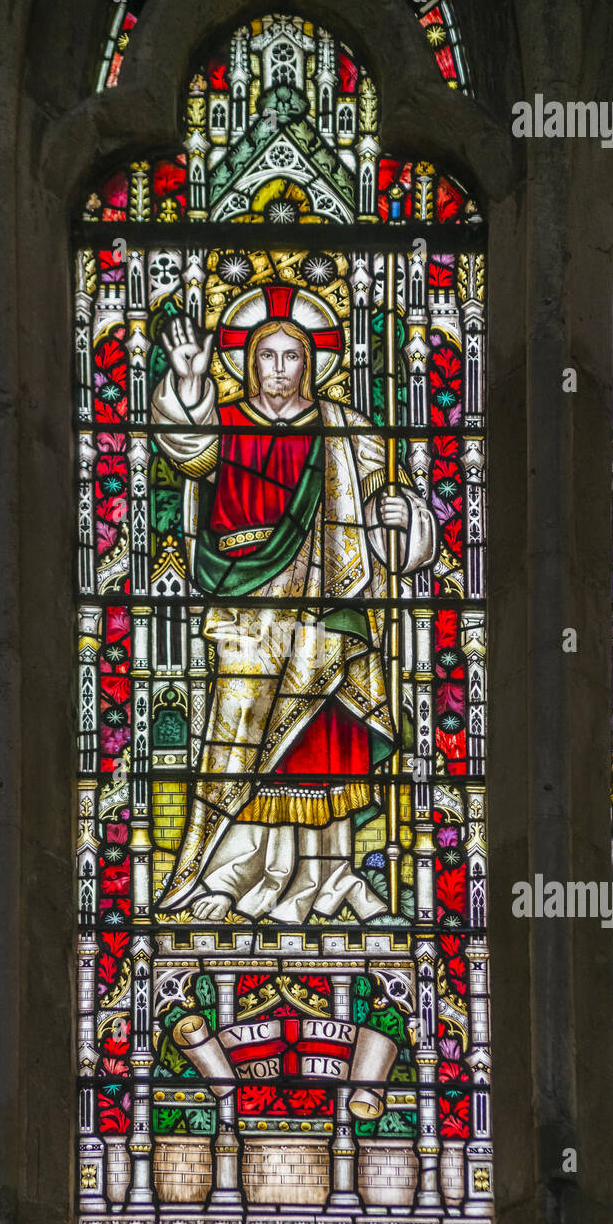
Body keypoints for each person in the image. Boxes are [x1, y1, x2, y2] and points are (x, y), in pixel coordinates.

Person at [152, 285, 437, 923]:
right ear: (249, 364)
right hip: (247, 605)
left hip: (325, 606)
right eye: (267, 357)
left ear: (309, 364)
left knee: (323, 740)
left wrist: (401, 518)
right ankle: (229, 875)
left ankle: (330, 882)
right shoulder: (225, 422)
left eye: (291, 357)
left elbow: (383, 530)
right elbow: (188, 454)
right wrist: (190, 384)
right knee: (238, 741)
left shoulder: (348, 430)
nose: (279, 369)